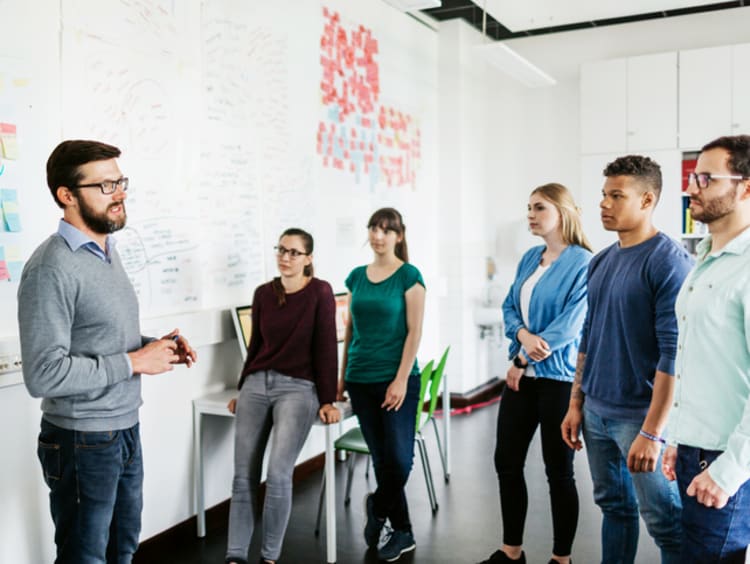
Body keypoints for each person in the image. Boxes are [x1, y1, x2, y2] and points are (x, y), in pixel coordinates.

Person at [18, 139, 197, 564]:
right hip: (82, 440)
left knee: (122, 550)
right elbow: (43, 374)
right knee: (86, 558)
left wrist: (155, 346)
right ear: (67, 195)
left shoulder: (105, 252)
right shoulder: (51, 267)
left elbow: (99, 339)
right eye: (105, 185)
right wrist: (136, 361)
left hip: (123, 428)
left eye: (120, 182)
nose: (119, 193)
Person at [560, 155, 692, 564]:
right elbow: (588, 334)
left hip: (640, 416)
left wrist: (653, 432)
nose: (604, 204)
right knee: (614, 510)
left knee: (666, 522)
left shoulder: (668, 261)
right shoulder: (601, 260)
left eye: (617, 195)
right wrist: (575, 403)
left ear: (647, 199)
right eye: (604, 195)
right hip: (597, 411)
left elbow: (675, 353)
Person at [479, 184, 592, 564]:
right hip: (522, 376)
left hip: (558, 381)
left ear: (561, 212)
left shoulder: (582, 262)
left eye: (538, 207)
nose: (530, 214)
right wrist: (523, 337)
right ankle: (511, 551)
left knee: (558, 471)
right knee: (506, 462)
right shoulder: (530, 258)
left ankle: (562, 559)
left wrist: (524, 356)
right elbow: (511, 306)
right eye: (528, 207)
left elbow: (570, 327)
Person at [225, 228, 340, 564]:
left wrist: (328, 399)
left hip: (298, 387)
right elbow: (256, 348)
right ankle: (235, 555)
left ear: (308, 259)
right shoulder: (263, 294)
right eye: (281, 250)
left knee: (277, 473)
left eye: (293, 252)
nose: (285, 257)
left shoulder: (320, 292)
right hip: (257, 385)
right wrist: (241, 388)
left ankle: (269, 556)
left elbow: (325, 348)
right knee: (243, 474)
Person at [660, 135, 750, 563]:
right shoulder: (705, 258)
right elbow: (700, 358)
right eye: (692, 177)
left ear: (746, 187)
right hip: (697, 449)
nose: (691, 187)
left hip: (729, 459)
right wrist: (680, 436)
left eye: (705, 178)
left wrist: (728, 471)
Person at [338, 207, 425, 563]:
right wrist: (340, 380)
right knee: (382, 459)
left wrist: (401, 379)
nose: (378, 235)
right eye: (373, 228)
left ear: (399, 236)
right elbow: (349, 331)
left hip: (397, 379)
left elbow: (415, 331)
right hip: (360, 379)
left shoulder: (409, 275)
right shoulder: (356, 277)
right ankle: (403, 531)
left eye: (386, 230)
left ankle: (377, 506)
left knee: (400, 460)